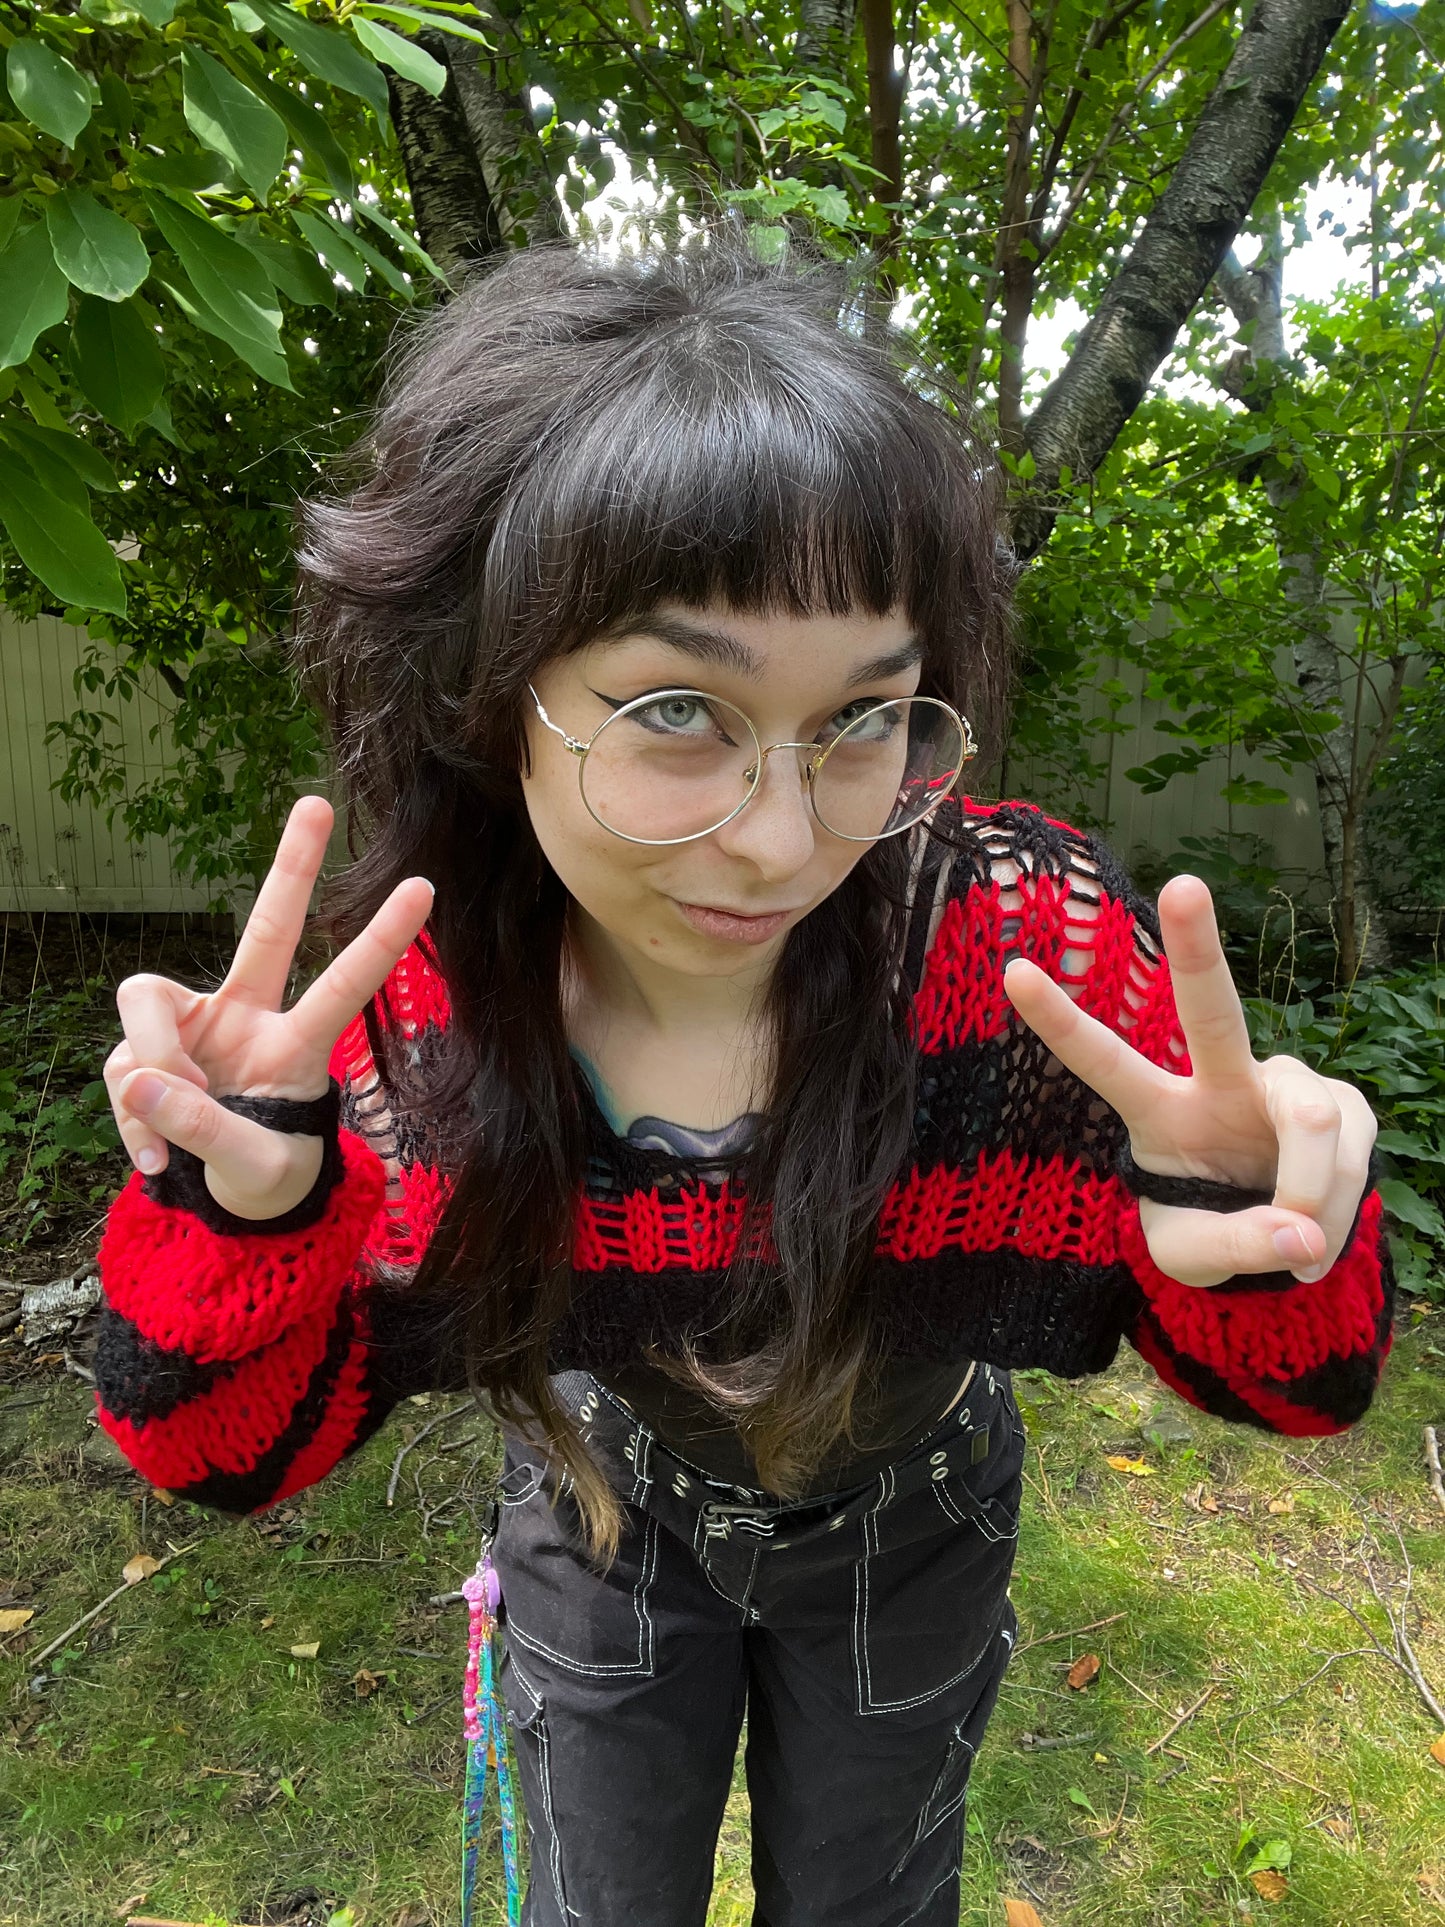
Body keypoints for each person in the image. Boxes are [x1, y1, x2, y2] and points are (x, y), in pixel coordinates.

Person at [93, 228, 1391, 1927]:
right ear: (496, 698)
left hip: (916, 1526)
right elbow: (213, 1455)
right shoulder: (404, 1026)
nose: (785, 842)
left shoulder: (1019, 953)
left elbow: (1304, 1392)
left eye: (864, 719)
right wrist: (243, 1213)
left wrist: (1254, 1229)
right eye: (678, 713)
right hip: (599, 1519)